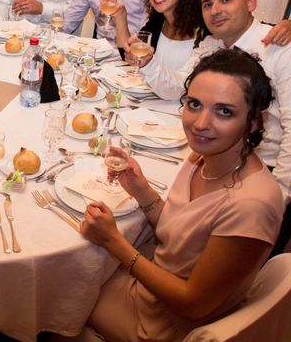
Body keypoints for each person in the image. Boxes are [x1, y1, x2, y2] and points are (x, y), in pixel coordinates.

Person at [82, 49, 283, 341]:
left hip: (164, 323)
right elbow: (182, 235)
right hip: (152, 285)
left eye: (224, 111)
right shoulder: (203, 158)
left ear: (255, 121)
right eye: (194, 104)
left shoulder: (252, 204)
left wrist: (114, 241)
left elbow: (193, 303)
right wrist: (140, 189)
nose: (201, 123)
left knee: (61, 292)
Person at [139, 0, 291, 205]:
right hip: (216, 158)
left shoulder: (280, 48)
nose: (215, 10)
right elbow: (178, 88)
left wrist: (279, 197)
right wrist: (148, 63)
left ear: (250, 2)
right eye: (207, 4)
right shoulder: (212, 45)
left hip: (263, 169)